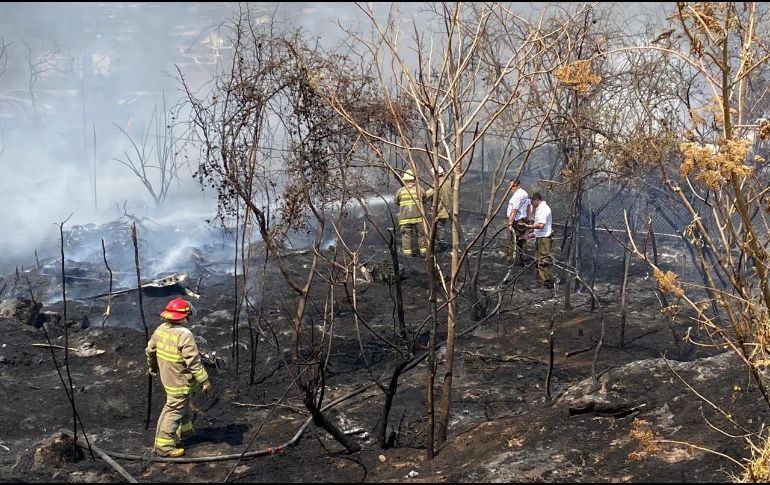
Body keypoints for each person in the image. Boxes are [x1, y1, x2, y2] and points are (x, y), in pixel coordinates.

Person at [146, 298, 211, 457]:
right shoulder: (185, 334)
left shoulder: (160, 329)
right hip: (180, 380)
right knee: (174, 409)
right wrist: (204, 380)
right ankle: (163, 445)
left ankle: (185, 430)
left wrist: (152, 366)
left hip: (167, 377)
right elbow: (193, 362)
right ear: (184, 316)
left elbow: (150, 351)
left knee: (181, 402)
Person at [523, 192, 553, 288]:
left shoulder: (544, 209)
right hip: (539, 237)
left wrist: (529, 226)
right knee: (537, 260)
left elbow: (541, 225)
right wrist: (530, 235)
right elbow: (537, 228)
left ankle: (547, 282)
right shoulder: (539, 208)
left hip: (545, 238)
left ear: (536, 199)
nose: (531, 203)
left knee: (543, 261)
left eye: (532, 201)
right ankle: (539, 281)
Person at [396, 168, 427, 257]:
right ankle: (424, 253)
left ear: (405, 180)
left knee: (406, 236)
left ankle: (407, 254)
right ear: (414, 180)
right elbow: (425, 200)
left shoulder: (400, 191)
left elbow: (397, 202)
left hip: (404, 218)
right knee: (421, 235)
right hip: (418, 217)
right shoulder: (420, 189)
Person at [426, 166, 452, 252]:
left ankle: (442, 245)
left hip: (440, 210)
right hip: (451, 209)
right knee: (450, 227)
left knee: (440, 228)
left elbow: (427, 195)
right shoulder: (449, 183)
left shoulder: (437, 184)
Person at [506, 179, 531, 266]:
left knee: (512, 239)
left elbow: (514, 210)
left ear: (518, 186)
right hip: (522, 219)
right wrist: (528, 218)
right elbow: (529, 205)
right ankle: (524, 260)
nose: (511, 188)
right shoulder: (524, 193)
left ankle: (510, 260)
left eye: (513, 186)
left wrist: (510, 223)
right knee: (522, 239)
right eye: (510, 186)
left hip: (516, 220)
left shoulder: (517, 196)